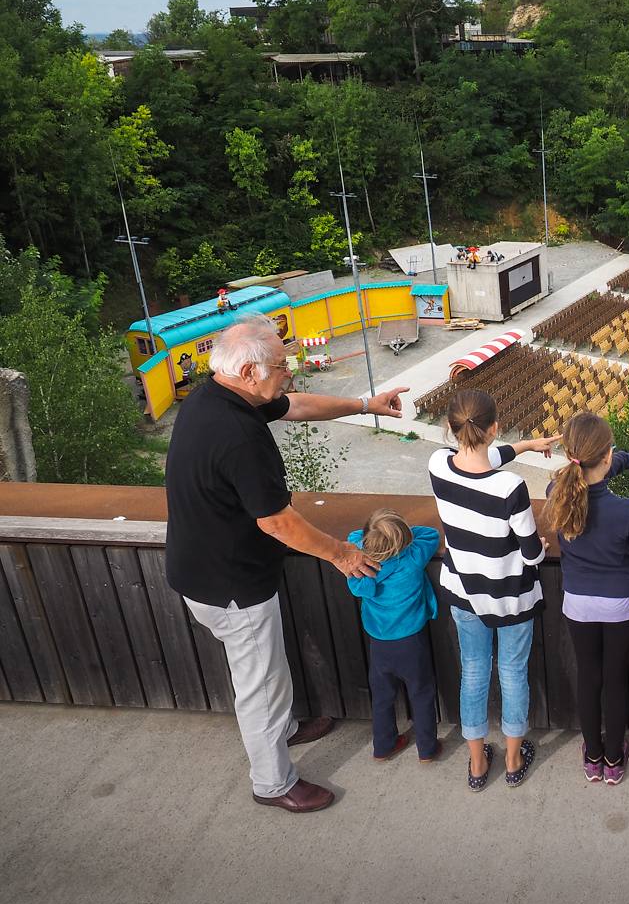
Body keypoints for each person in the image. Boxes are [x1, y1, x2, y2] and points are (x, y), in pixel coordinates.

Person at [165, 314, 409, 813]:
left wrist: (366, 404)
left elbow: (293, 405)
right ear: (250, 372)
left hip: (203, 568)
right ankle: (273, 783)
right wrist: (344, 553)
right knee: (261, 684)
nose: (290, 371)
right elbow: (277, 521)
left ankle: (289, 729)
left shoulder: (217, 396)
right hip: (231, 584)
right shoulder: (237, 434)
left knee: (266, 674)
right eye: (281, 364)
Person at [427, 389, 559, 791]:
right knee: (512, 671)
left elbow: (483, 458)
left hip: (464, 591)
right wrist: (542, 550)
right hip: (509, 596)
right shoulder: (511, 488)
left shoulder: (437, 465)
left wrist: (527, 446)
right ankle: (515, 758)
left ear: (451, 428)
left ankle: (477, 763)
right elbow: (531, 551)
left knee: (474, 670)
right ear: (494, 428)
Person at [542, 412, 629, 785]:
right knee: (615, 677)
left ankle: (592, 757)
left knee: (588, 676)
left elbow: (589, 469)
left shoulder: (556, 496)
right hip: (620, 603)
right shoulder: (628, 512)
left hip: (578, 603)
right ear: (607, 456)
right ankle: (615, 759)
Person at [346, 509, 443, 763]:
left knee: (382, 697)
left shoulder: (362, 568)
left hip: (379, 644)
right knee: (421, 693)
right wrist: (404, 533)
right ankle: (427, 748)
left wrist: (370, 540)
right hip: (412, 641)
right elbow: (430, 534)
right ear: (403, 540)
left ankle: (384, 745)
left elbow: (354, 535)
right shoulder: (412, 558)